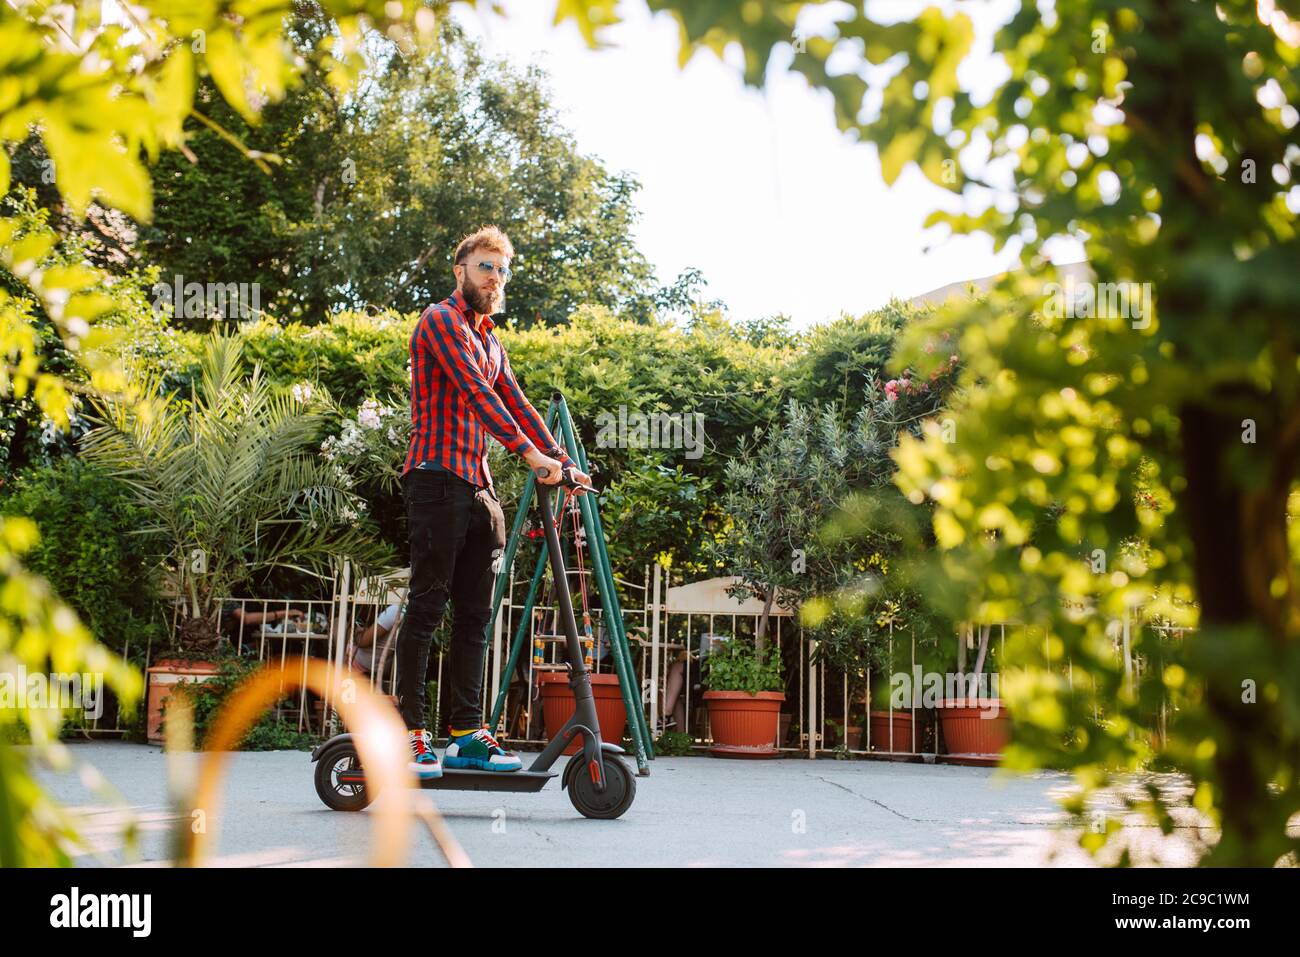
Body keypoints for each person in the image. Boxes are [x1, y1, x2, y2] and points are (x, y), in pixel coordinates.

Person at [399, 225, 591, 779]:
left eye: (503, 271)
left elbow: (516, 400)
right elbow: (474, 393)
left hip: (477, 488)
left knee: (477, 616)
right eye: (487, 267)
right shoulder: (441, 321)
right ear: (461, 271)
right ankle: (410, 734)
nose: (496, 279)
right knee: (427, 607)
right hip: (435, 479)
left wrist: (561, 460)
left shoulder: (490, 340)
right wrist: (531, 456)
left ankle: (465, 734)